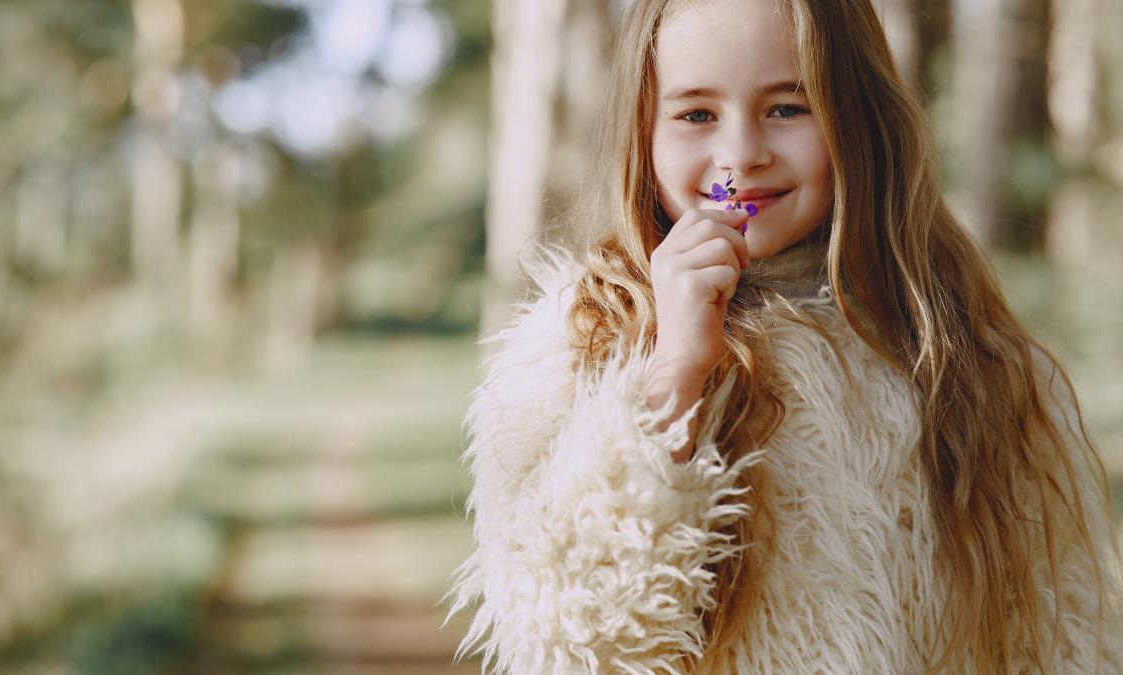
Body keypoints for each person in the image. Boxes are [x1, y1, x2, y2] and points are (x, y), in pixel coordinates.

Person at [443, 0, 1123, 672]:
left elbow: (1060, 630)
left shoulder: (964, 353)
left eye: (787, 108)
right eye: (697, 114)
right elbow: (569, 634)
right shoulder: (584, 343)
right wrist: (674, 373)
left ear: (855, 112)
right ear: (644, 131)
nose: (740, 155)